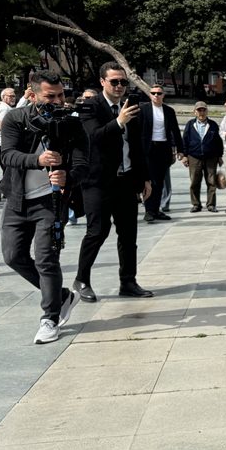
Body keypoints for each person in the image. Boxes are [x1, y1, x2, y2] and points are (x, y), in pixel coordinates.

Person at [0, 71, 89, 343]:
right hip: (17, 199)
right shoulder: (16, 118)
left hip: (51, 201)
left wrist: (67, 176)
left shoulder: (73, 122)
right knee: (12, 256)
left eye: (61, 95)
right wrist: (37, 160)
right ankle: (60, 296)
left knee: (47, 258)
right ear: (33, 93)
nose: (58, 101)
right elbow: (8, 155)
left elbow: (83, 164)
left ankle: (49, 317)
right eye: (51, 96)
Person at [72, 63, 153, 301]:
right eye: (114, 82)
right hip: (97, 181)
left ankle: (128, 282)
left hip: (126, 179)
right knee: (97, 231)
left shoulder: (131, 107)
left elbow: (138, 146)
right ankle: (82, 280)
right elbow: (93, 138)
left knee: (129, 235)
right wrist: (119, 121)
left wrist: (145, 177)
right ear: (102, 82)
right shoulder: (90, 106)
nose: (119, 86)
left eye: (123, 82)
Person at [141, 85, 184, 222]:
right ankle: (148, 210)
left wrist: (180, 149)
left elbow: (175, 131)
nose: (156, 95)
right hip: (148, 149)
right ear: (150, 95)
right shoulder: (144, 109)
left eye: (159, 93)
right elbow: (137, 130)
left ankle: (156, 209)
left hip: (163, 149)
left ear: (163, 95)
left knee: (160, 182)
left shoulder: (168, 111)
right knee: (149, 181)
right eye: (153, 93)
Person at [182, 101, 222, 212]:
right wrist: (185, 155)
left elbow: (218, 142)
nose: (202, 112)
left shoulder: (213, 124)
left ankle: (211, 204)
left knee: (211, 182)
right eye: (199, 110)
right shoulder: (190, 124)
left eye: (204, 110)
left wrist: (219, 156)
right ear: (195, 112)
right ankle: (196, 204)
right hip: (194, 157)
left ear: (207, 111)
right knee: (194, 181)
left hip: (211, 157)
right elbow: (185, 140)